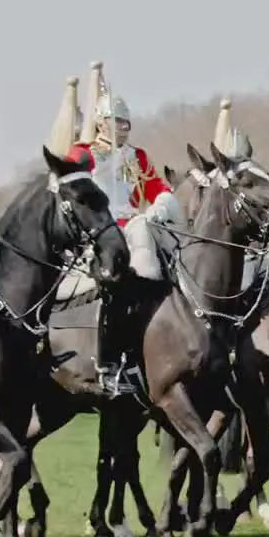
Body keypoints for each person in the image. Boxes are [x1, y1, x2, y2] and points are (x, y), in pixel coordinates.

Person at [65, 91, 179, 397]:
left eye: (126, 122)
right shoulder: (83, 154)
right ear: (101, 123)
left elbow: (160, 190)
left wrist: (159, 207)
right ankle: (111, 361)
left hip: (133, 224)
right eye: (117, 121)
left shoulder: (137, 156)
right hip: (98, 230)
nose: (123, 127)